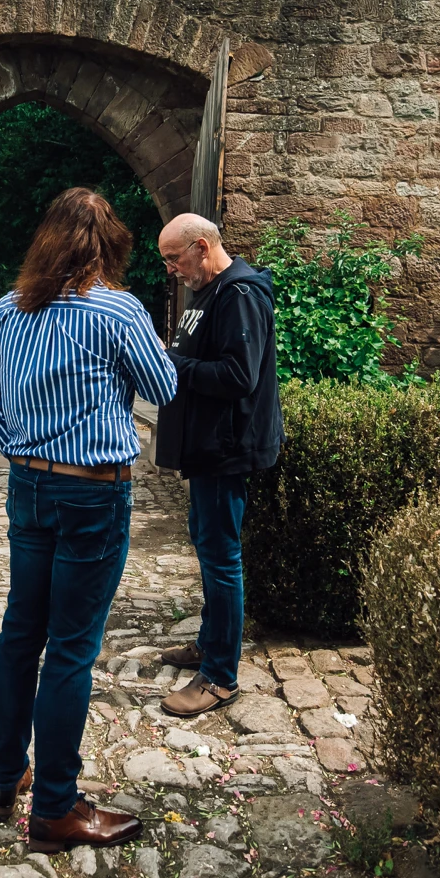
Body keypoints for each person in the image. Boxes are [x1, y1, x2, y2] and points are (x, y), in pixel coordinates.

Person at [0, 187, 176, 851]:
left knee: (19, 632)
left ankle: (7, 776)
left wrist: (30, 457)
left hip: (29, 487)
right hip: (92, 493)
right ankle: (56, 808)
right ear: (109, 246)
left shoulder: (8, 310)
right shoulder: (118, 311)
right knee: (69, 648)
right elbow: (163, 387)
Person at [152, 213, 283, 717]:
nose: (171, 269)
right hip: (208, 448)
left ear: (202, 247)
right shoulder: (208, 292)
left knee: (222, 557)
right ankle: (209, 645)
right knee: (207, 547)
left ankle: (221, 676)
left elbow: (237, 375)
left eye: (174, 258)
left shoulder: (241, 294)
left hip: (229, 449)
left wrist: (173, 365)